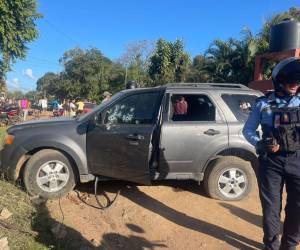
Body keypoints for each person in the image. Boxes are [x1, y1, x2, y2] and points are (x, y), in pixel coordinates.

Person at [243, 57, 300, 250]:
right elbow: (247, 130)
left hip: (298, 161)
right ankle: (271, 246)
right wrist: (260, 144)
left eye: (298, 81)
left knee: (297, 209)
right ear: (279, 81)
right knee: (270, 210)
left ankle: (289, 246)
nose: (295, 85)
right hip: (271, 163)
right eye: (292, 81)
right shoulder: (262, 103)